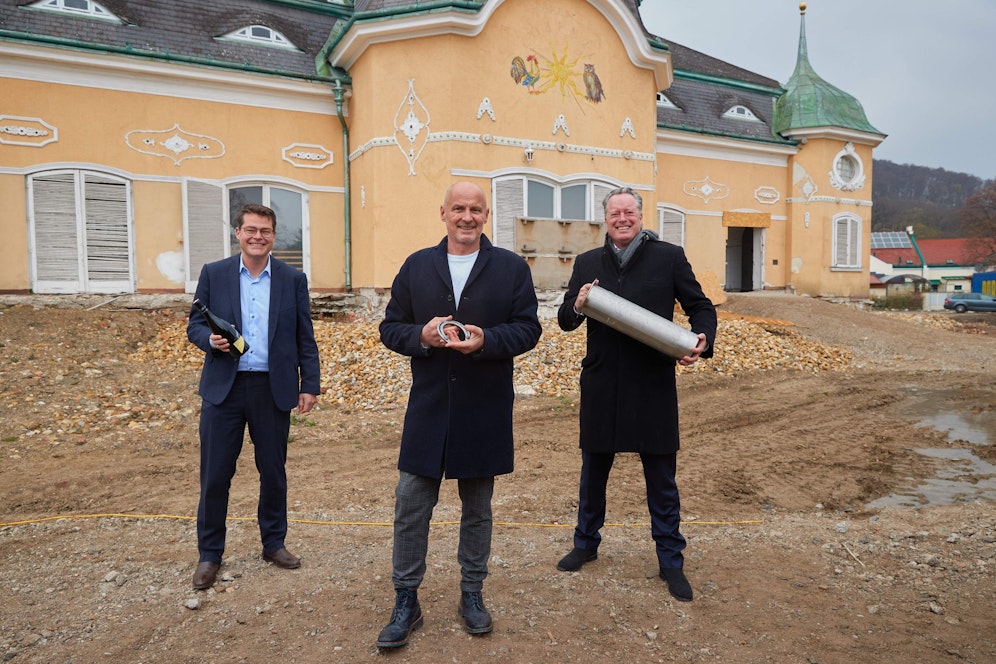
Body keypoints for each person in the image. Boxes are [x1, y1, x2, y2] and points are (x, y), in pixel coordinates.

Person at [376, 182, 542, 648]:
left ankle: (472, 593)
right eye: (458, 209)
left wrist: (488, 340)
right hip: (429, 407)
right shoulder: (417, 265)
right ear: (443, 213)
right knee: (411, 506)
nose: (466, 217)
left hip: (484, 407)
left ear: (486, 215)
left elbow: (528, 329)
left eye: (475, 209)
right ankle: (406, 599)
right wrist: (421, 337)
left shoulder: (510, 268)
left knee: (477, 510)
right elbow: (390, 327)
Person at [555, 186, 716, 603]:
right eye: (615, 213)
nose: (622, 219)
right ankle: (585, 544)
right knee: (593, 474)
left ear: (641, 217)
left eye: (629, 212)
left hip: (652, 383)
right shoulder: (587, 262)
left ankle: (670, 561)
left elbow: (701, 307)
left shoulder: (669, 257)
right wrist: (578, 303)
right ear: (605, 219)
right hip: (603, 383)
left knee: (661, 479)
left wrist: (702, 338)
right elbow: (565, 319)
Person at [186, 203, 321, 590]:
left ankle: (273, 543)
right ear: (238, 233)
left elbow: (305, 336)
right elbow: (194, 324)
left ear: (274, 236)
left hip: (271, 388)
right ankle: (210, 554)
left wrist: (309, 384)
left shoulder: (293, 279)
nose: (257, 236)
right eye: (250, 230)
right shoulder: (215, 273)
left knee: (274, 473)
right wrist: (208, 340)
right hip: (223, 390)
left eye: (265, 231)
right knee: (215, 475)